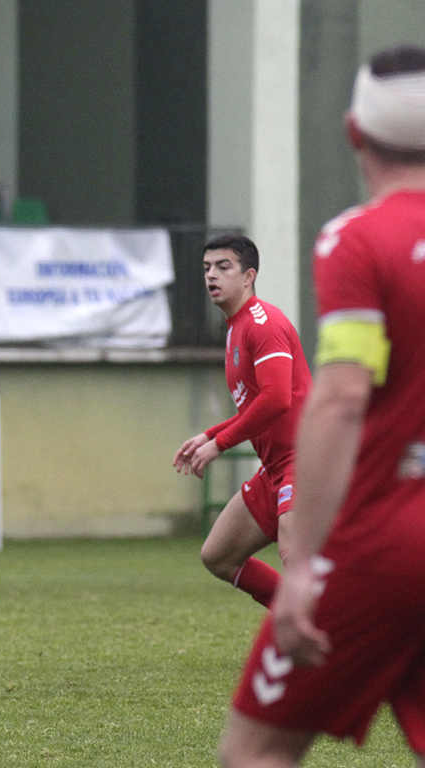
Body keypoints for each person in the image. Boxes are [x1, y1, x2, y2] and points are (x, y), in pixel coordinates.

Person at [219, 46, 425, 766]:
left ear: (354, 133)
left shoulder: (357, 241)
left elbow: (338, 400)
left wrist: (302, 565)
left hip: (388, 542)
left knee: (256, 750)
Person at [174, 235, 312, 608]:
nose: (211, 276)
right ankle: (298, 620)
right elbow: (255, 405)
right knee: (218, 554)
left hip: (306, 460)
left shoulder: (262, 324)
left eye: (223, 267)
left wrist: (219, 444)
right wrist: (208, 433)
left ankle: (332, 642)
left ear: (248, 276)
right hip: (276, 468)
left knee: (295, 552)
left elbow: (277, 399)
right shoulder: (235, 327)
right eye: (206, 268)